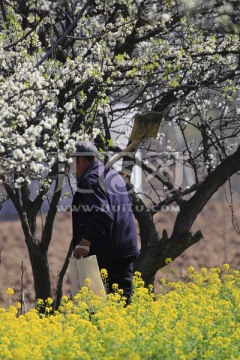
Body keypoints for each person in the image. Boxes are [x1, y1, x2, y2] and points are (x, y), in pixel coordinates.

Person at [71, 140, 139, 302]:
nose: (73, 168)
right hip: (124, 249)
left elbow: (103, 214)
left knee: (102, 308)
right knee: (122, 303)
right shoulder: (112, 174)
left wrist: (85, 241)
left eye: (73, 162)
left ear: (81, 160)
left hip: (108, 253)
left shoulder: (90, 180)